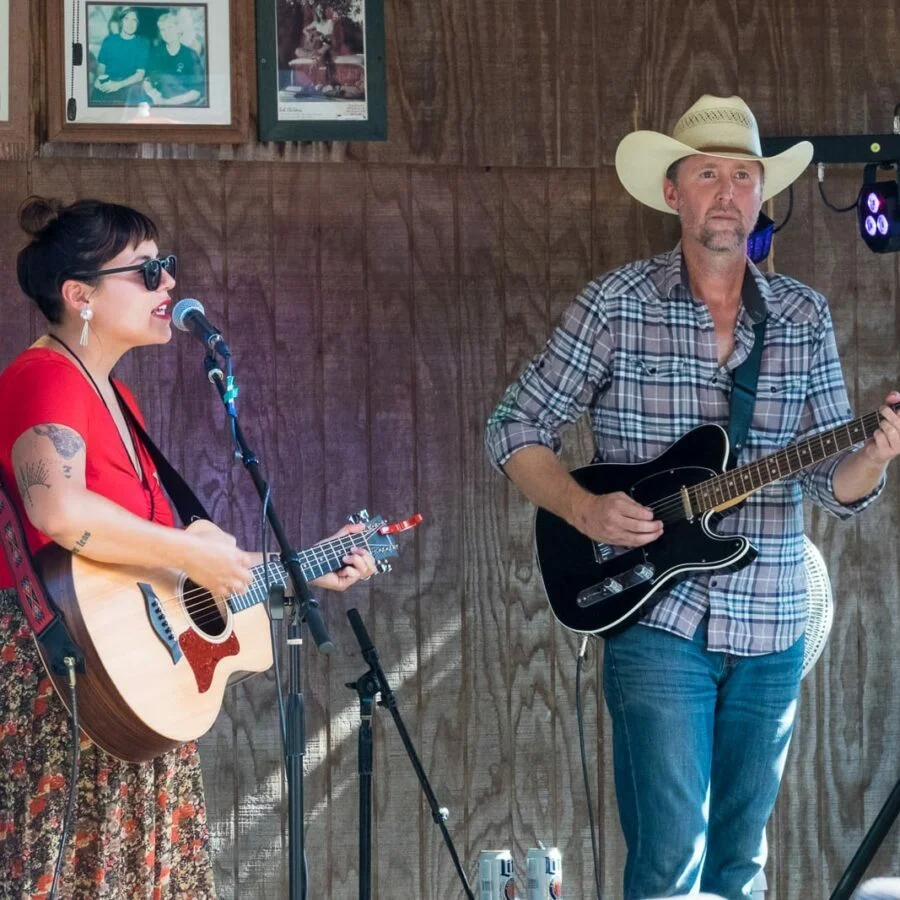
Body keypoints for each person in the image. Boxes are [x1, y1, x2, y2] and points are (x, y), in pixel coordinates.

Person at [485, 94, 900, 899]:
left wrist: (878, 456)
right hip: (655, 621)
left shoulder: (804, 316)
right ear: (672, 191)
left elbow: (834, 484)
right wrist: (581, 507)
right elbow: (513, 425)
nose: (727, 192)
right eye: (707, 173)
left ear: (760, 194)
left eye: (743, 176)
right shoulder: (615, 306)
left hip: (774, 622)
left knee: (740, 866)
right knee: (671, 866)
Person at [0, 196, 377, 898]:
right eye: (147, 272)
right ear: (80, 294)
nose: (169, 284)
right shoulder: (44, 377)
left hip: (127, 686)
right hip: (63, 676)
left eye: (166, 267)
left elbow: (157, 571)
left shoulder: (118, 400)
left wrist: (301, 567)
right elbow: (56, 508)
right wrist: (188, 549)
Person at [143, 11, 204, 107]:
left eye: (169, 28)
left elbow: (196, 92)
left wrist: (168, 103)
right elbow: (147, 81)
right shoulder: (155, 53)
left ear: (178, 29)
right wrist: (156, 97)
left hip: (182, 104)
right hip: (159, 102)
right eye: (163, 30)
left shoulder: (190, 55)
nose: (166, 33)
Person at [91, 7, 150, 106]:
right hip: (108, 82)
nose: (130, 24)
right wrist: (99, 79)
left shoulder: (142, 43)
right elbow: (101, 66)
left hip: (128, 85)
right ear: (121, 22)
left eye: (134, 20)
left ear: (138, 23)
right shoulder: (109, 40)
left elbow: (140, 74)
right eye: (126, 19)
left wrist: (117, 85)